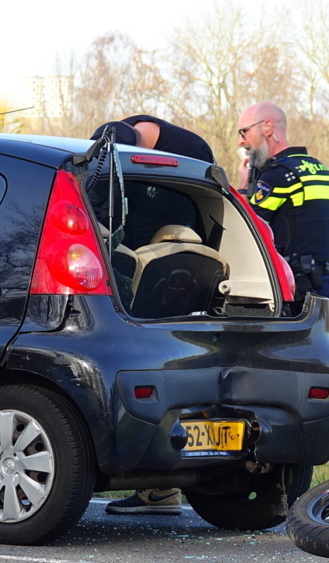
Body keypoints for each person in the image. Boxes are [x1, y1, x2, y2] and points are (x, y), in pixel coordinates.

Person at [236, 101, 329, 458]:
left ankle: (275, 458)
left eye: (245, 132)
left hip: (293, 295)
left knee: (269, 377)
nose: (242, 142)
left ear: (268, 128)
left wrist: (244, 187)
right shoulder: (321, 170)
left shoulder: (278, 176)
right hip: (328, 286)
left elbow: (249, 229)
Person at [100, 116, 214, 517]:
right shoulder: (189, 158)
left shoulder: (184, 153)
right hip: (181, 291)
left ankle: (158, 489)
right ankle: (161, 491)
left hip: (144, 290)